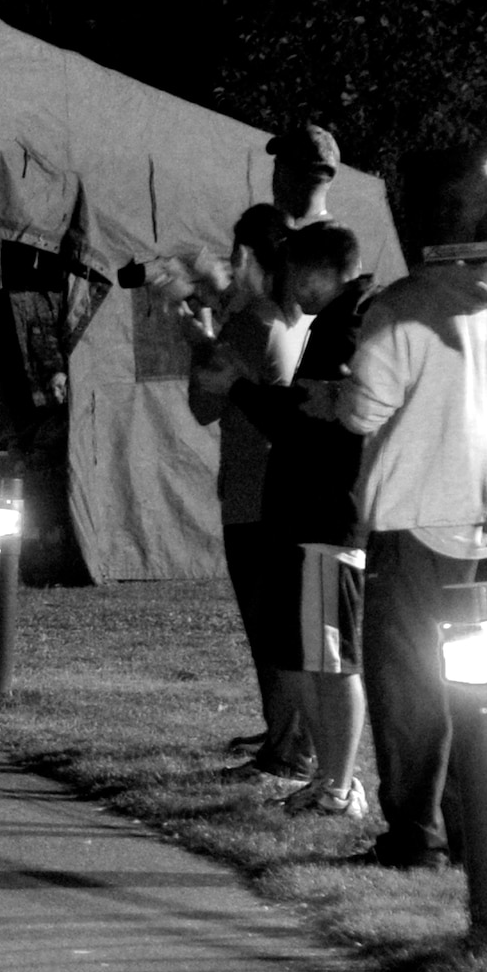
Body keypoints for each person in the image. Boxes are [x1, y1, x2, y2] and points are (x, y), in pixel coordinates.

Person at [330, 175, 487, 869]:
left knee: (408, 687)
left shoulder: (400, 307)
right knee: (477, 689)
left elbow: (362, 410)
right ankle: (480, 827)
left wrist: (336, 392)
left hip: (414, 517)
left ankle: (416, 837)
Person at [197, 223, 372, 820]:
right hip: (307, 512)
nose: (291, 286)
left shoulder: (348, 327)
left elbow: (309, 428)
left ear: (323, 271)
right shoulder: (338, 323)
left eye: (297, 273)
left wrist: (240, 387)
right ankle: (329, 775)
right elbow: (307, 415)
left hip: (325, 514)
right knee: (306, 655)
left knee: (329, 657)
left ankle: (341, 785)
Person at [170, 203, 316, 784]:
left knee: (271, 631)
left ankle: (288, 754)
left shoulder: (249, 325)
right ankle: (286, 737)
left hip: (254, 494)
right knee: (290, 628)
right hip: (292, 491)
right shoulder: (297, 318)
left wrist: (199, 343)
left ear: (247, 256)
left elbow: (204, 405)